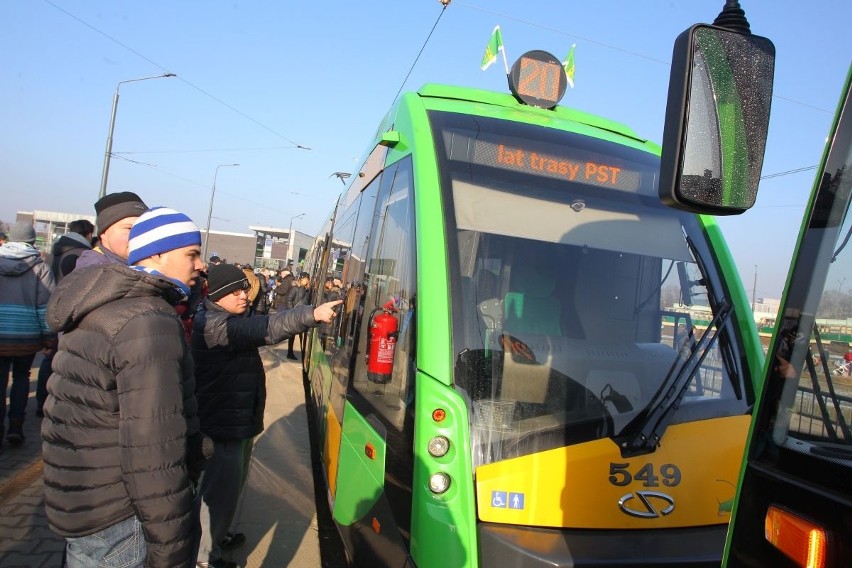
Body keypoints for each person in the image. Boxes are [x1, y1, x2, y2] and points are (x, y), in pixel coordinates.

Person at [41, 207, 208, 567]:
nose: (200, 265)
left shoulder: (104, 301)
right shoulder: (148, 319)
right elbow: (153, 448)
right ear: (157, 253)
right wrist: (171, 549)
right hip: (122, 515)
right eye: (191, 254)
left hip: (87, 501)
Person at [192, 263, 340, 568]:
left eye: (243, 288)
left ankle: (216, 539)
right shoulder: (216, 325)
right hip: (224, 425)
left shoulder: (226, 317)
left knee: (229, 488)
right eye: (234, 291)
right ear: (217, 295)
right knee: (218, 491)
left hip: (237, 421)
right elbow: (267, 328)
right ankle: (203, 557)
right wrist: (311, 314)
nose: (244, 295)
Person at [0, 221, 56, 447]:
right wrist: (49, 338)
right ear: (32, 241)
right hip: (26, 334)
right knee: (22, 378)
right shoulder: (41, 268)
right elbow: (45, 307)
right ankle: (16, 427)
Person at [36, 219, 96, 417]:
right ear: (89, 233)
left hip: (55, 308)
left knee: (50, 358)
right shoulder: (81, 254)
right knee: (60, 359)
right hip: (71, 312)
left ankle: (40, 403)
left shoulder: (57, 250)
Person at [76, 191, 147, 268]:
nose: (139, 234)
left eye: (145, 228)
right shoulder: (96, 270)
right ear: (103, 233)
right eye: (129, 228)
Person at [284, 272, 311, 359]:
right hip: (295, 314)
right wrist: (292, 311)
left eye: (307, 279)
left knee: (300, 334)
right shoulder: (295, 288)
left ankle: (300, 353)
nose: (306, 280)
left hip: (302, 315)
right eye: (304, 279)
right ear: (300, 279)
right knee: (292, 335)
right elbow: (289, 300)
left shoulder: (308, 290)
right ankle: (290, 352)